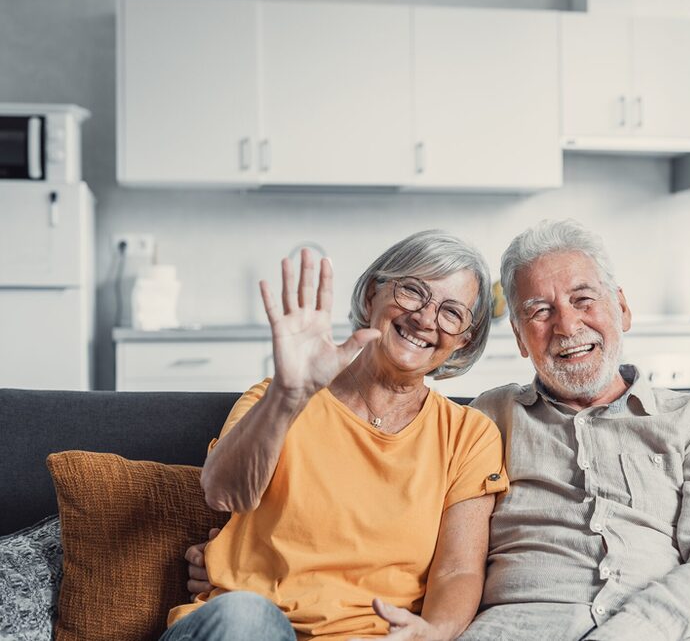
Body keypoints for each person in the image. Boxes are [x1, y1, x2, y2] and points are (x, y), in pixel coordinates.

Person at [188, 220, 690, 640]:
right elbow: (227, 496)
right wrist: (292, 395)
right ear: (519, 339)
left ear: (621, 309)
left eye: (583, 299)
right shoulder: (490, 419)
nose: (565, 324)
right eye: (538, 311)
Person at [166, 230, 508, 641]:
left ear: (463, 341)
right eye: (413, 291)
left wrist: (432, 633)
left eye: (451, 312)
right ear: (371, 297)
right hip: (249, 627)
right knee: (246, 619)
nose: (425, 318)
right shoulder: (274, 398)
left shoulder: (468, 436)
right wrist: (287, 396)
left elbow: (459, 570)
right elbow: (224, 494)